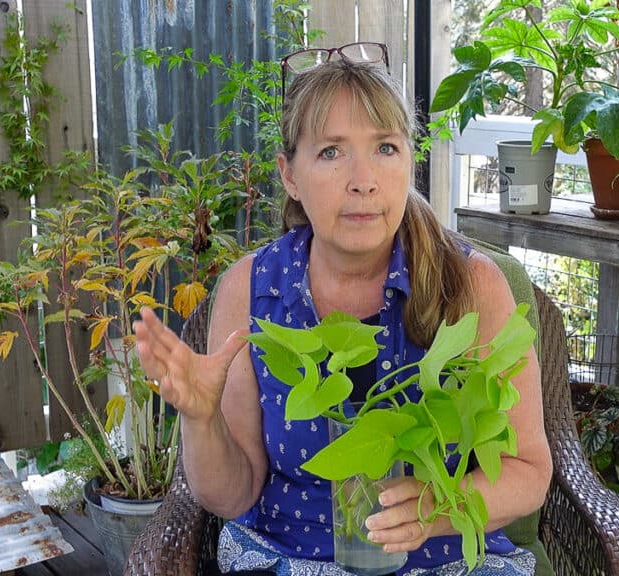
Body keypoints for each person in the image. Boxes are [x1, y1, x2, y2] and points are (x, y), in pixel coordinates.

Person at [133, 48, 551, 576]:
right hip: (291, 560)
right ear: (289, 175)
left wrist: (432, 511)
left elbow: (530, 471)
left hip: (443, 562)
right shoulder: (253, 289)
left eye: (385, 148)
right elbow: (233, 496)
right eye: (331, 152)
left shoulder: (470, 286)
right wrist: (201, 420)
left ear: (409, 162)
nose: (363, 179)